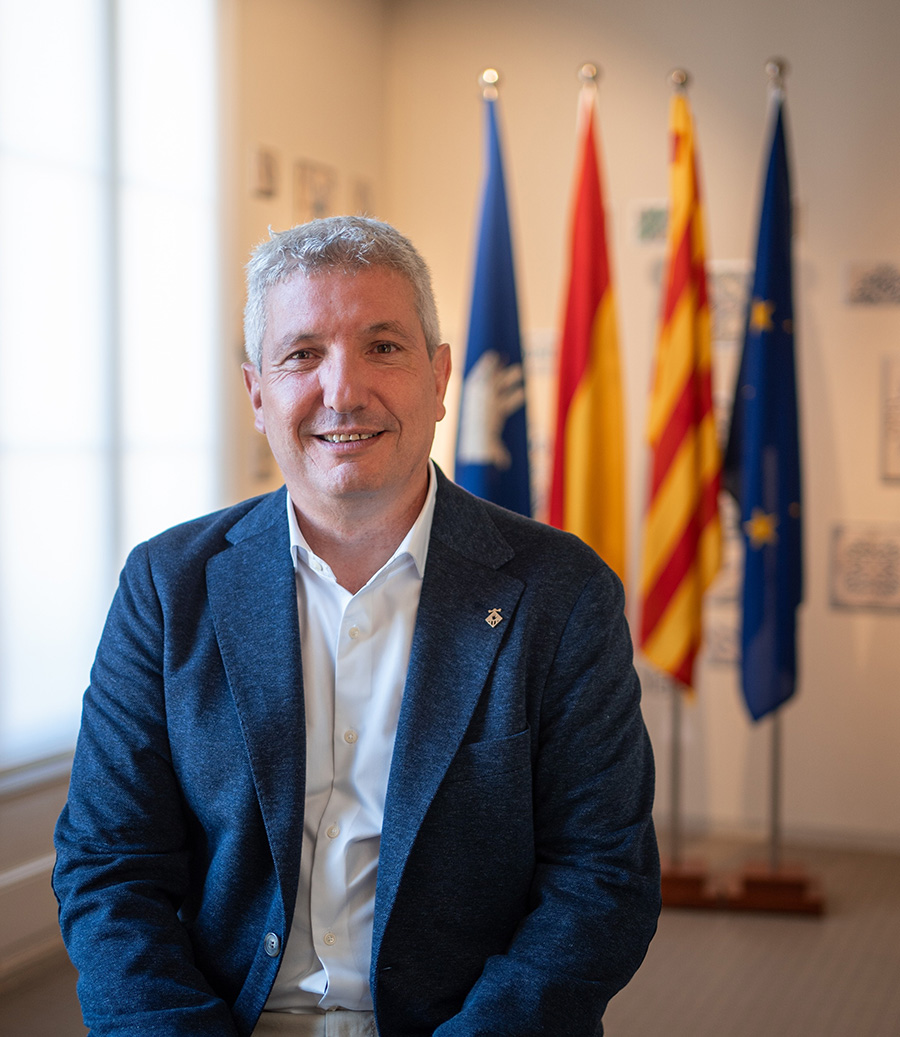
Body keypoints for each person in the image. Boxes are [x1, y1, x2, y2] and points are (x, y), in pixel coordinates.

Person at [54, 216, 660, 1037]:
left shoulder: (563, 593)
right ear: (257, 393)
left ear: (439, 378)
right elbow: (108, 866)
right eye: (303, 353)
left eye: (382, 346)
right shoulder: (167, 588)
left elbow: (602, 877)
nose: (342, 391)